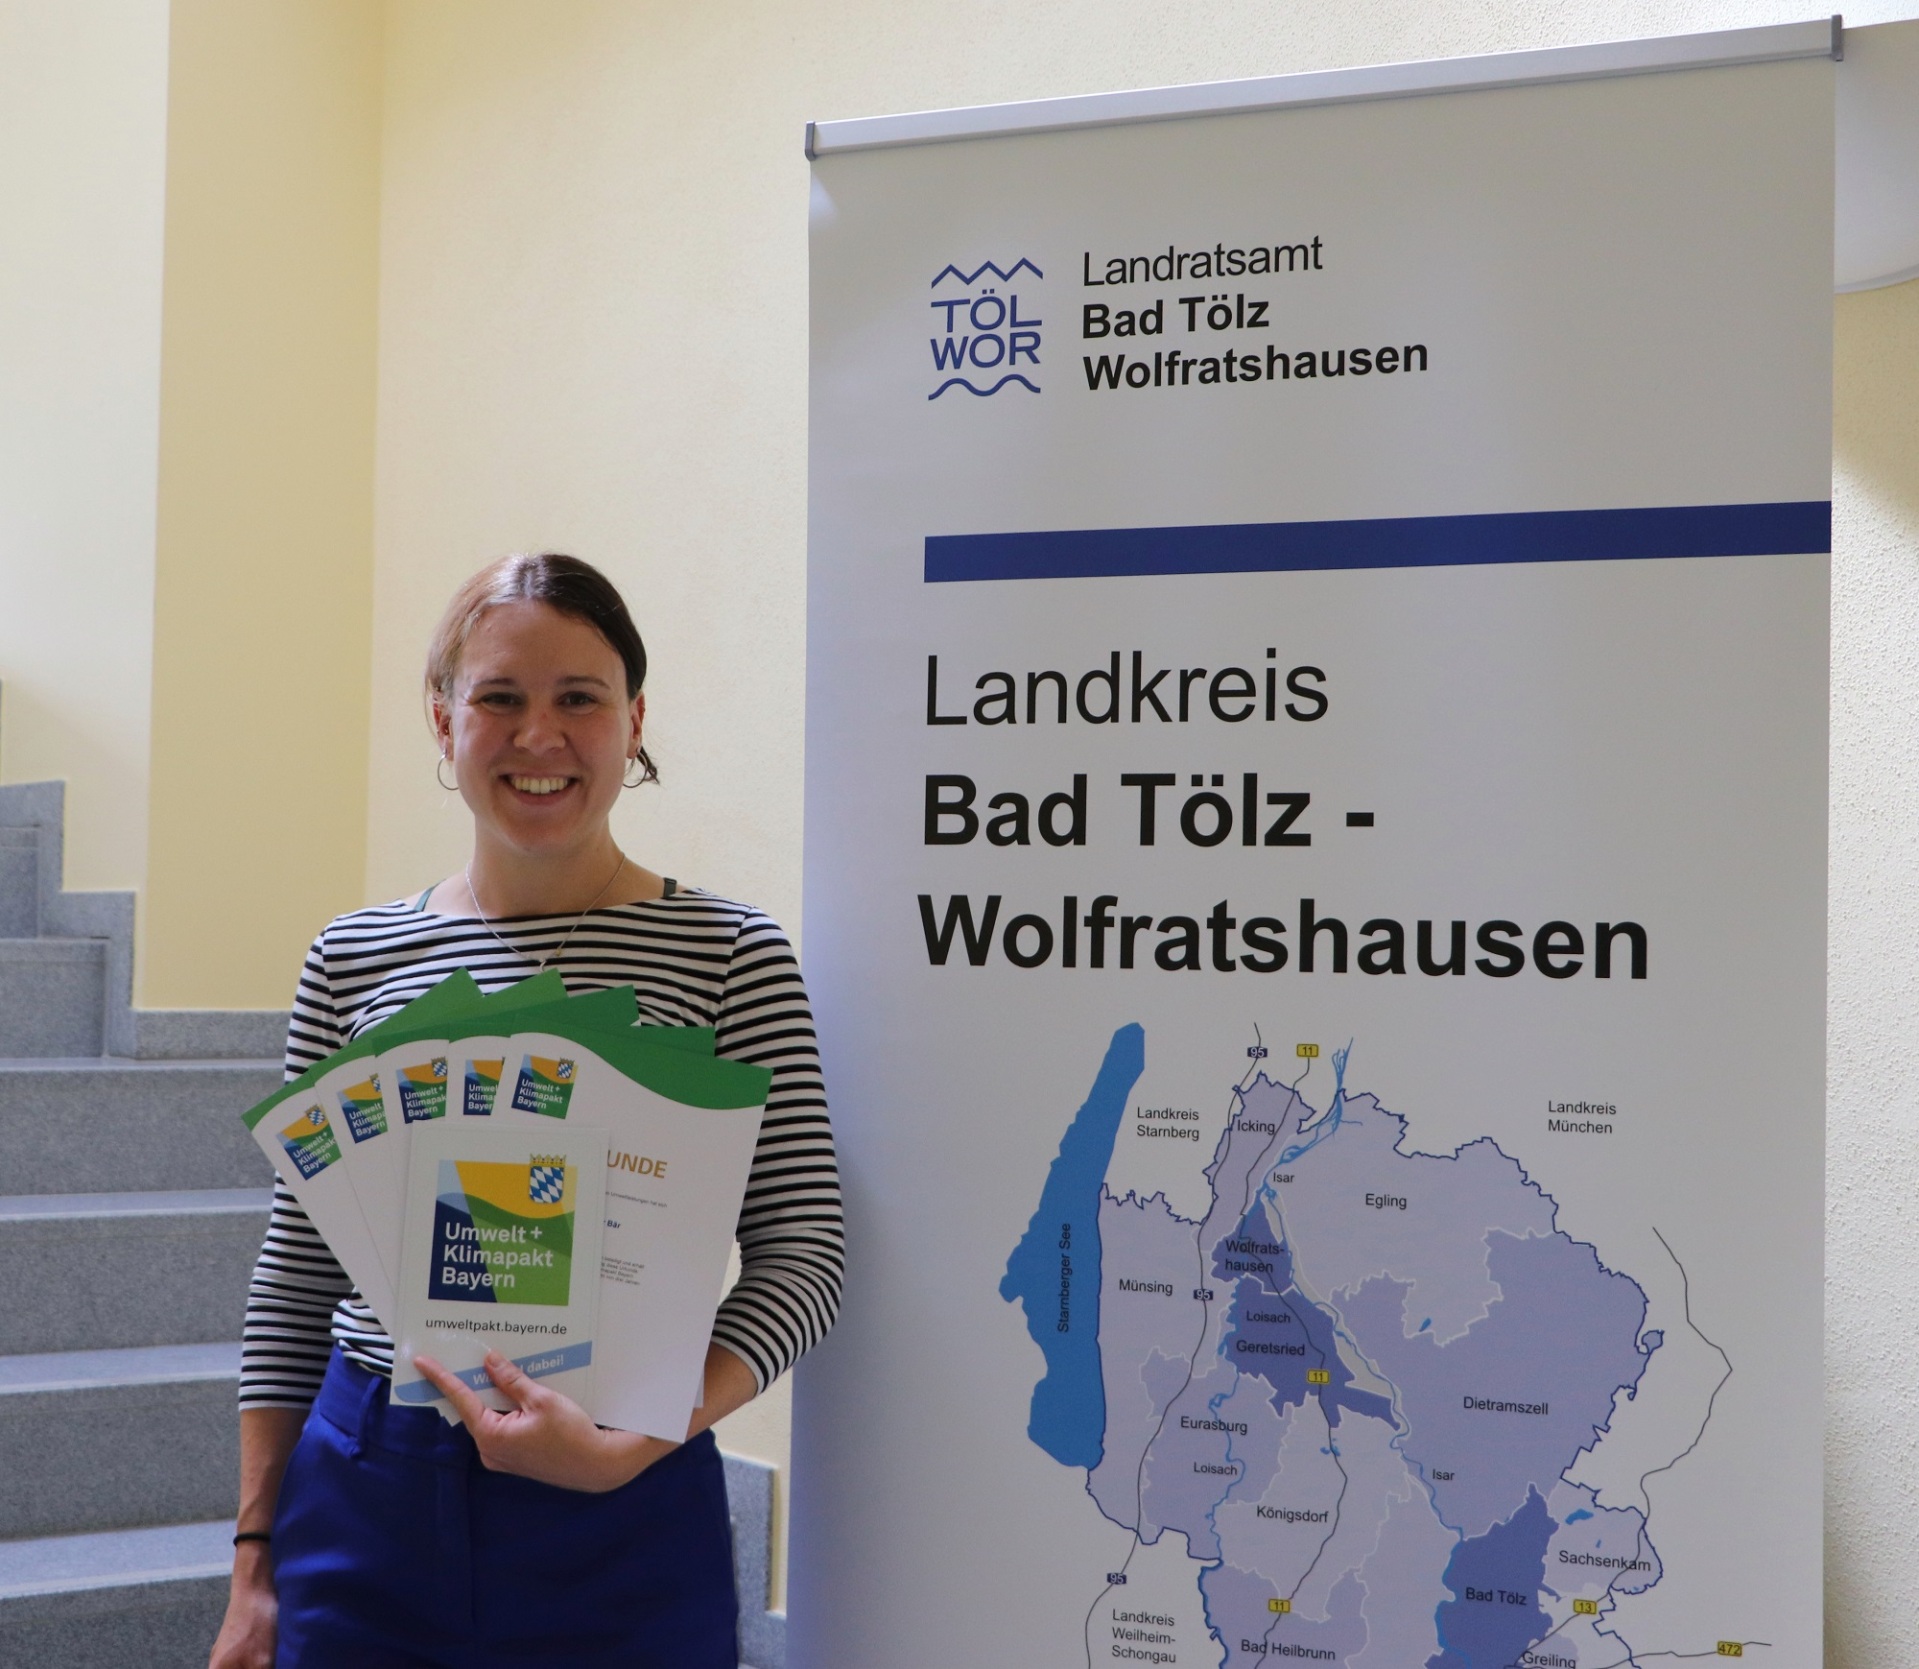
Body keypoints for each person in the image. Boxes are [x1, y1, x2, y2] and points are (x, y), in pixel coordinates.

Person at [208, 553, 843, 1668]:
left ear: (634, 720)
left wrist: (646, 1434)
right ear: (443, 718)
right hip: (367, 1488)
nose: (536, 736)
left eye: (578, 699)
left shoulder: (732, 954)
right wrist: (254, 1560)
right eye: (498, 697)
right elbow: (296, 1273)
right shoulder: (352, 959)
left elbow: (804, 1254)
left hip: (627, 1500)